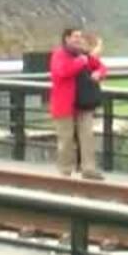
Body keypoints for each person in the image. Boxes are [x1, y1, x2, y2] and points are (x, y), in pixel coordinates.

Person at [49, 29, 109, 180]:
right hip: (65, 104)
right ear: (66, 39)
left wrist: (98, 74)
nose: (78, 39)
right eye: (75, 36)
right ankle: (65, 170)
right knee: (66, 138)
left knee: (87, 135)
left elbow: (101, 67)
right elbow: (62, 72)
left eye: (80, 36)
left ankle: (88, 169)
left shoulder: (83, 54)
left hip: (83, 102)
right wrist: (80, 62)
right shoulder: (59, 55)